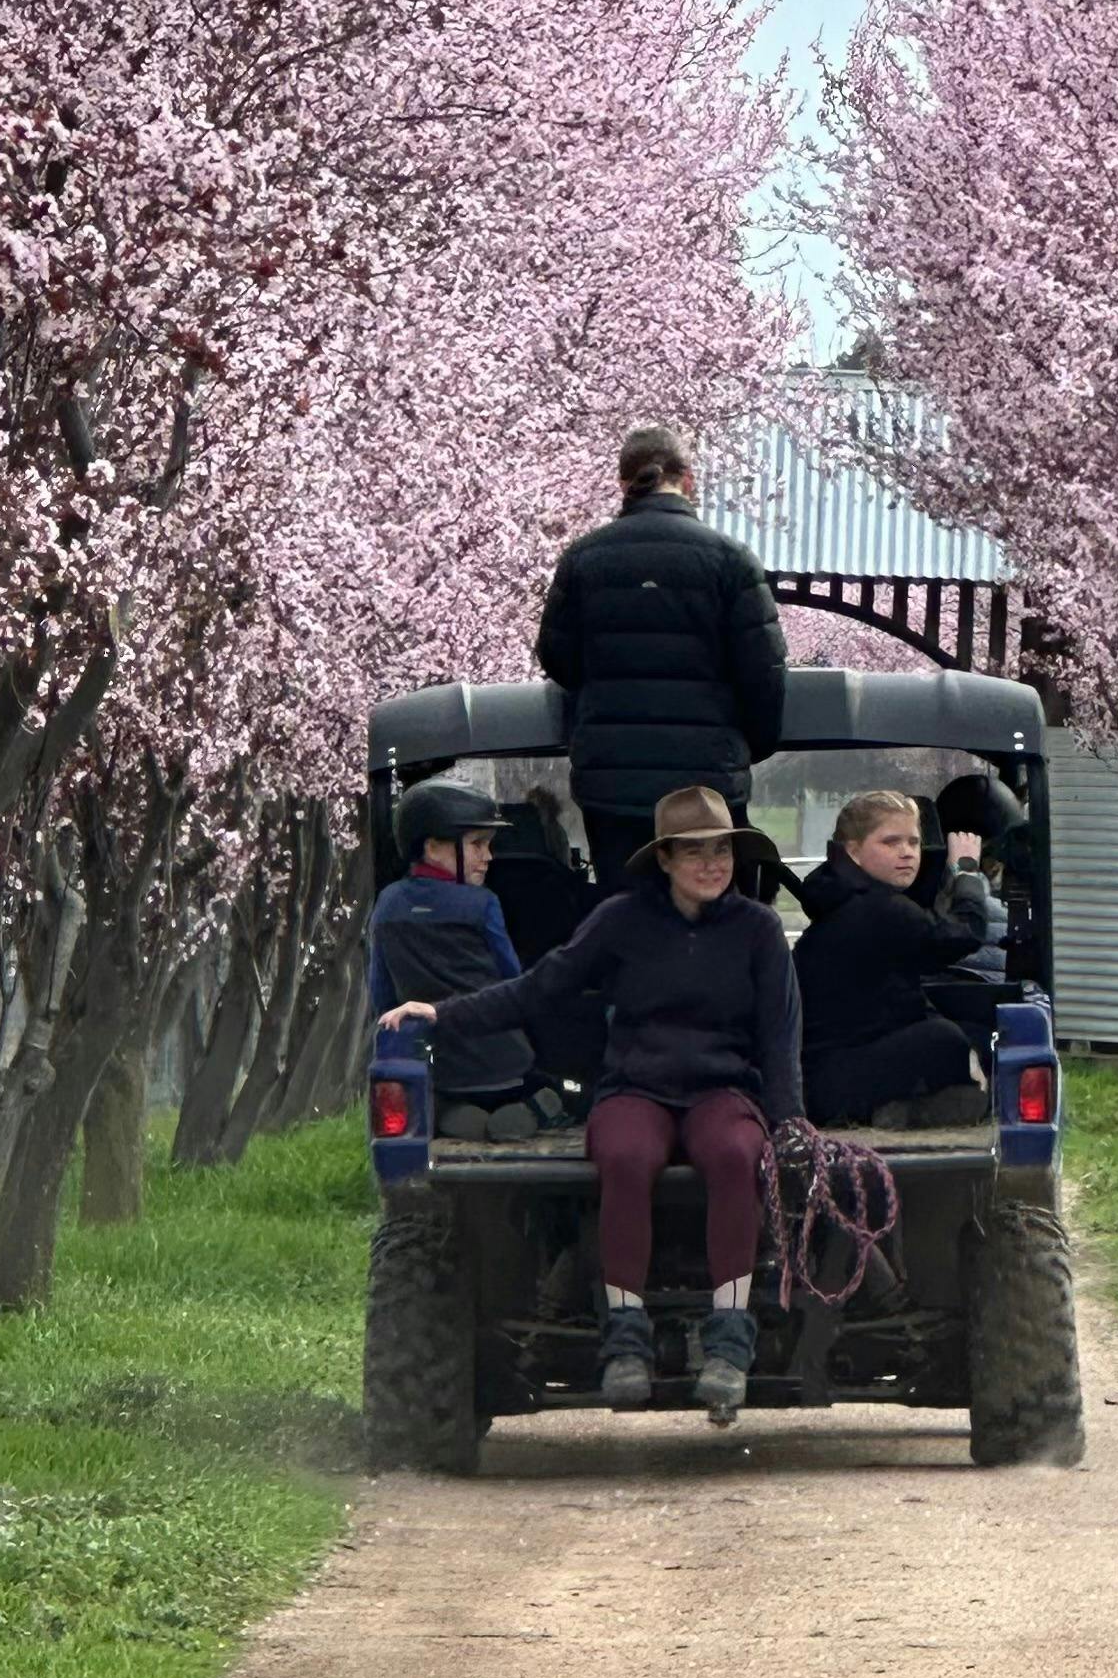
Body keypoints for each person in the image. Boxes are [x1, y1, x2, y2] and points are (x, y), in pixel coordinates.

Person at [379, 787, 802, 1423]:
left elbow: (780, 1033)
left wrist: (790, 1118)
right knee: (624, 1156)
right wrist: (440, 1014)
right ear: (664, 859)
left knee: (736, 1153)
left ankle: (729, 1341)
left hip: (723, 1089)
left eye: (721, 850)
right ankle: (625, 1341)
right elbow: (539, 988)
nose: (712, 864)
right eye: (694, 852)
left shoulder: (759, 929)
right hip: (638, 1086)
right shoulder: (622, 920)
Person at [536, 424, 788, 891]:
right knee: (714, 919)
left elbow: (558, 658)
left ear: (622, 483)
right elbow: (764, 674)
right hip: (707, 785)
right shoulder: (731, 560)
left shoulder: (584, 559)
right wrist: (747, 749)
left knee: (628, 923)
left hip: (613, 784)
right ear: (689, 480)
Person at [368, 781, 564, 1141]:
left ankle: (450, 1114)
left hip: (444, 1069)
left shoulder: (386, 906)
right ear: (432, 847)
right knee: (556, 1090)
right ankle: (531, 1110)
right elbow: (513, 981)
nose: (488, 857)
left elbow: (381, 993)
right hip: (506, 1065)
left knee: (444, 1097)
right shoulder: (482, 904)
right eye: (477, 845)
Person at [794, 789, 996, 1130]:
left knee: (958, 1032)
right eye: (890, 843)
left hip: (824, 1075)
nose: (907, 853)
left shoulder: (839, 897)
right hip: (833, 1086)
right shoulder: (879, 908)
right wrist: (966, 871)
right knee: (947, 1040)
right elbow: (963, 934)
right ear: (853, 852)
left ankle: (900, 1111)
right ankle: (898, 1115)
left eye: (914, 843)